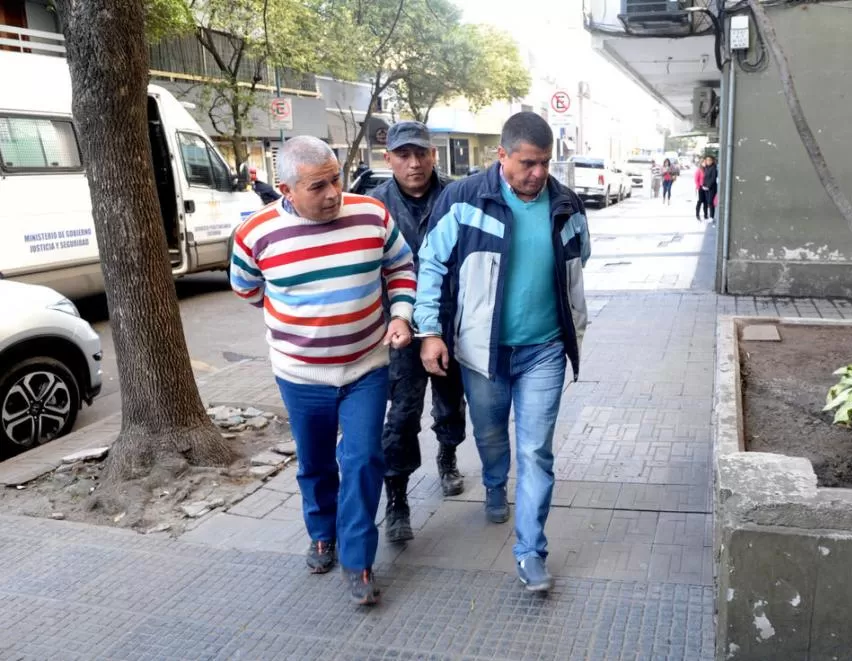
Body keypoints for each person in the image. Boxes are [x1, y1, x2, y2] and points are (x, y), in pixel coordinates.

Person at [229, 135, 416, 606]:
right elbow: (248, 290)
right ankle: (321, 534)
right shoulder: (255, 234)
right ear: (286, 189)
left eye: (336, 179)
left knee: (363, 460)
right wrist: (300, 324)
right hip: (300, 376)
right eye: (318, 186)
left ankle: (358, 559)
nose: (333, 193)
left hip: (366, 367)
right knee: (314, 462)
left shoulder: (371, 215)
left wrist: (400, 314)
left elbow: (400, 266)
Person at [414, 112, 590, 592]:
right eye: (528, 163)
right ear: (502, 156)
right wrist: (429, 331)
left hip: (545, 350)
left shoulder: (566, 203)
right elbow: (429, 264)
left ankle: (531, 551)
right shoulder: (466, 199)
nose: (538, 173)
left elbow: (580, 258)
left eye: (545, 163)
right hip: (484, 352)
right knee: (491, 435)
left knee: (535, 450)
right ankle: (494, 483)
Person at [369, 121, 466, 544]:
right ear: (388, 158)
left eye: (421, 154)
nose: (414, 164)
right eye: (404, 155)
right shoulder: (372, 207)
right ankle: (398, 499)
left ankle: (447, 455)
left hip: (449, 324)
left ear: (434, 156)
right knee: (402, 415)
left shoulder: (456, 197)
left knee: (450, 402)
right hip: (400, 330)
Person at [703, 155, 718, 222]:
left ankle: (712, 216)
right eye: (707, 160)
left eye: (709, 160)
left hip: (712, 188)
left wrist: (708, 186)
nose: (708, 161)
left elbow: (713, 178)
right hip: (705, 188)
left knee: (710, 202)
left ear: (712, 161)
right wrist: (704, 185)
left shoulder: (714, 168)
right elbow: (705, 178)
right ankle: (710, 216)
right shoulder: (706, 168)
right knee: (707, 202)